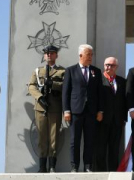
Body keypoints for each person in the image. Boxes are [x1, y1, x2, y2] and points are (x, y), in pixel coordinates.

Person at [62, 44, 104, 172]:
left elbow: (100, 93)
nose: (91, 57)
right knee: (75, 140)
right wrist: (67, 110)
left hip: (91, 112)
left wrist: (100, 110)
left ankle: (87, 166)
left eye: (91, 54)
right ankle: (74, 166)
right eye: (88, 54)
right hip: (75, 111)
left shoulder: (96, 71)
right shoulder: (70, 70)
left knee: (89, 140)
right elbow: (66, 92)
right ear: (81, 55)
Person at [27, 44, 65, 172]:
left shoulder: (62, 71)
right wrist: (39, 97)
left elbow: (65, 86)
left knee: (54, 138)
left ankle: (52, 166)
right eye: (47, 53)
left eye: (52, 53)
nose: (49, 55)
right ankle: (42, 166)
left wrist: (53, 84)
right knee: (42, 137)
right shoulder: (38, 71)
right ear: (44, 55)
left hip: (55, 107)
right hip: (41, 107)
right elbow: (31, 86)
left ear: (56, 55)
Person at [95, 56, 127, 171]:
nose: (109, 67)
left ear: (116, 67)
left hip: (117, 121)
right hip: (102, 120)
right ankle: (101, 172)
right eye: (106, 65)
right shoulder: (98, 80)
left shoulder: (122, 81)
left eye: (111, 65)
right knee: (101, 148)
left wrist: (124, 118)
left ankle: (114, 172)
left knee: (114, 149)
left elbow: (125, 101)